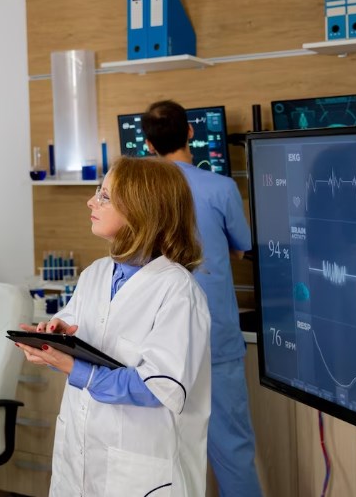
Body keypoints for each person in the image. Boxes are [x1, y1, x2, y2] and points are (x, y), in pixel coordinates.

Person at [16, 156, 211, 497]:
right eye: (97, 192)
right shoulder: (96, 273)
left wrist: (77, 369)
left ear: (142, 208)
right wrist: (54, 338)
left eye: (105, 196)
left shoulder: (178, 291)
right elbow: (82, 329)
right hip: (80, 457)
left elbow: (159, 387)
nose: (92, 202)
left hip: (141, 471)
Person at [141, 99, 263, 497]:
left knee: (165, 453)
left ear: (147, 144)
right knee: (232, 449)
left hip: (157, 340)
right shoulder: (221, 187)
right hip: (215, 339)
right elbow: (242, 246)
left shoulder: (139, 194)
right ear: (191, 132)